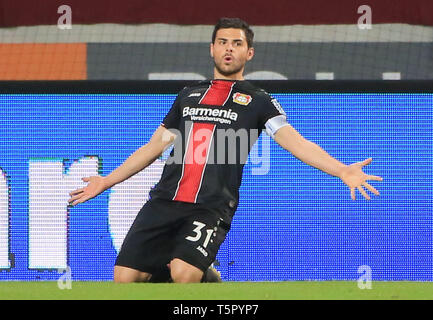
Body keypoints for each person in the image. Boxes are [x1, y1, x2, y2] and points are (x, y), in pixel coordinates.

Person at [68, 17, 383, 283]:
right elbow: (154, 146)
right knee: (125, 277)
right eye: (222, 42)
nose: (228, 48)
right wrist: (106, 181)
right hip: (165, 200)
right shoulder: (188, 96)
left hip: (211, 206)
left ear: (249, 53)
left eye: (236, 43)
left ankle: (205, 275)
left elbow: (295, 142)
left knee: (183, 274)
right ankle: (202, 269)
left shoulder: (259, 100)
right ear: (211, 49)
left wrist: (342, 169)